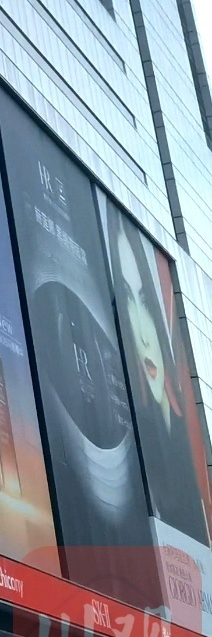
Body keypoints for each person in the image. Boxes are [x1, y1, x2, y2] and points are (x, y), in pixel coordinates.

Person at [111, 220, 211, 542]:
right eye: (127, 300)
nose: (143, 335)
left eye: (144, 300)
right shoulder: (130, 441)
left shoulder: (192, 432)